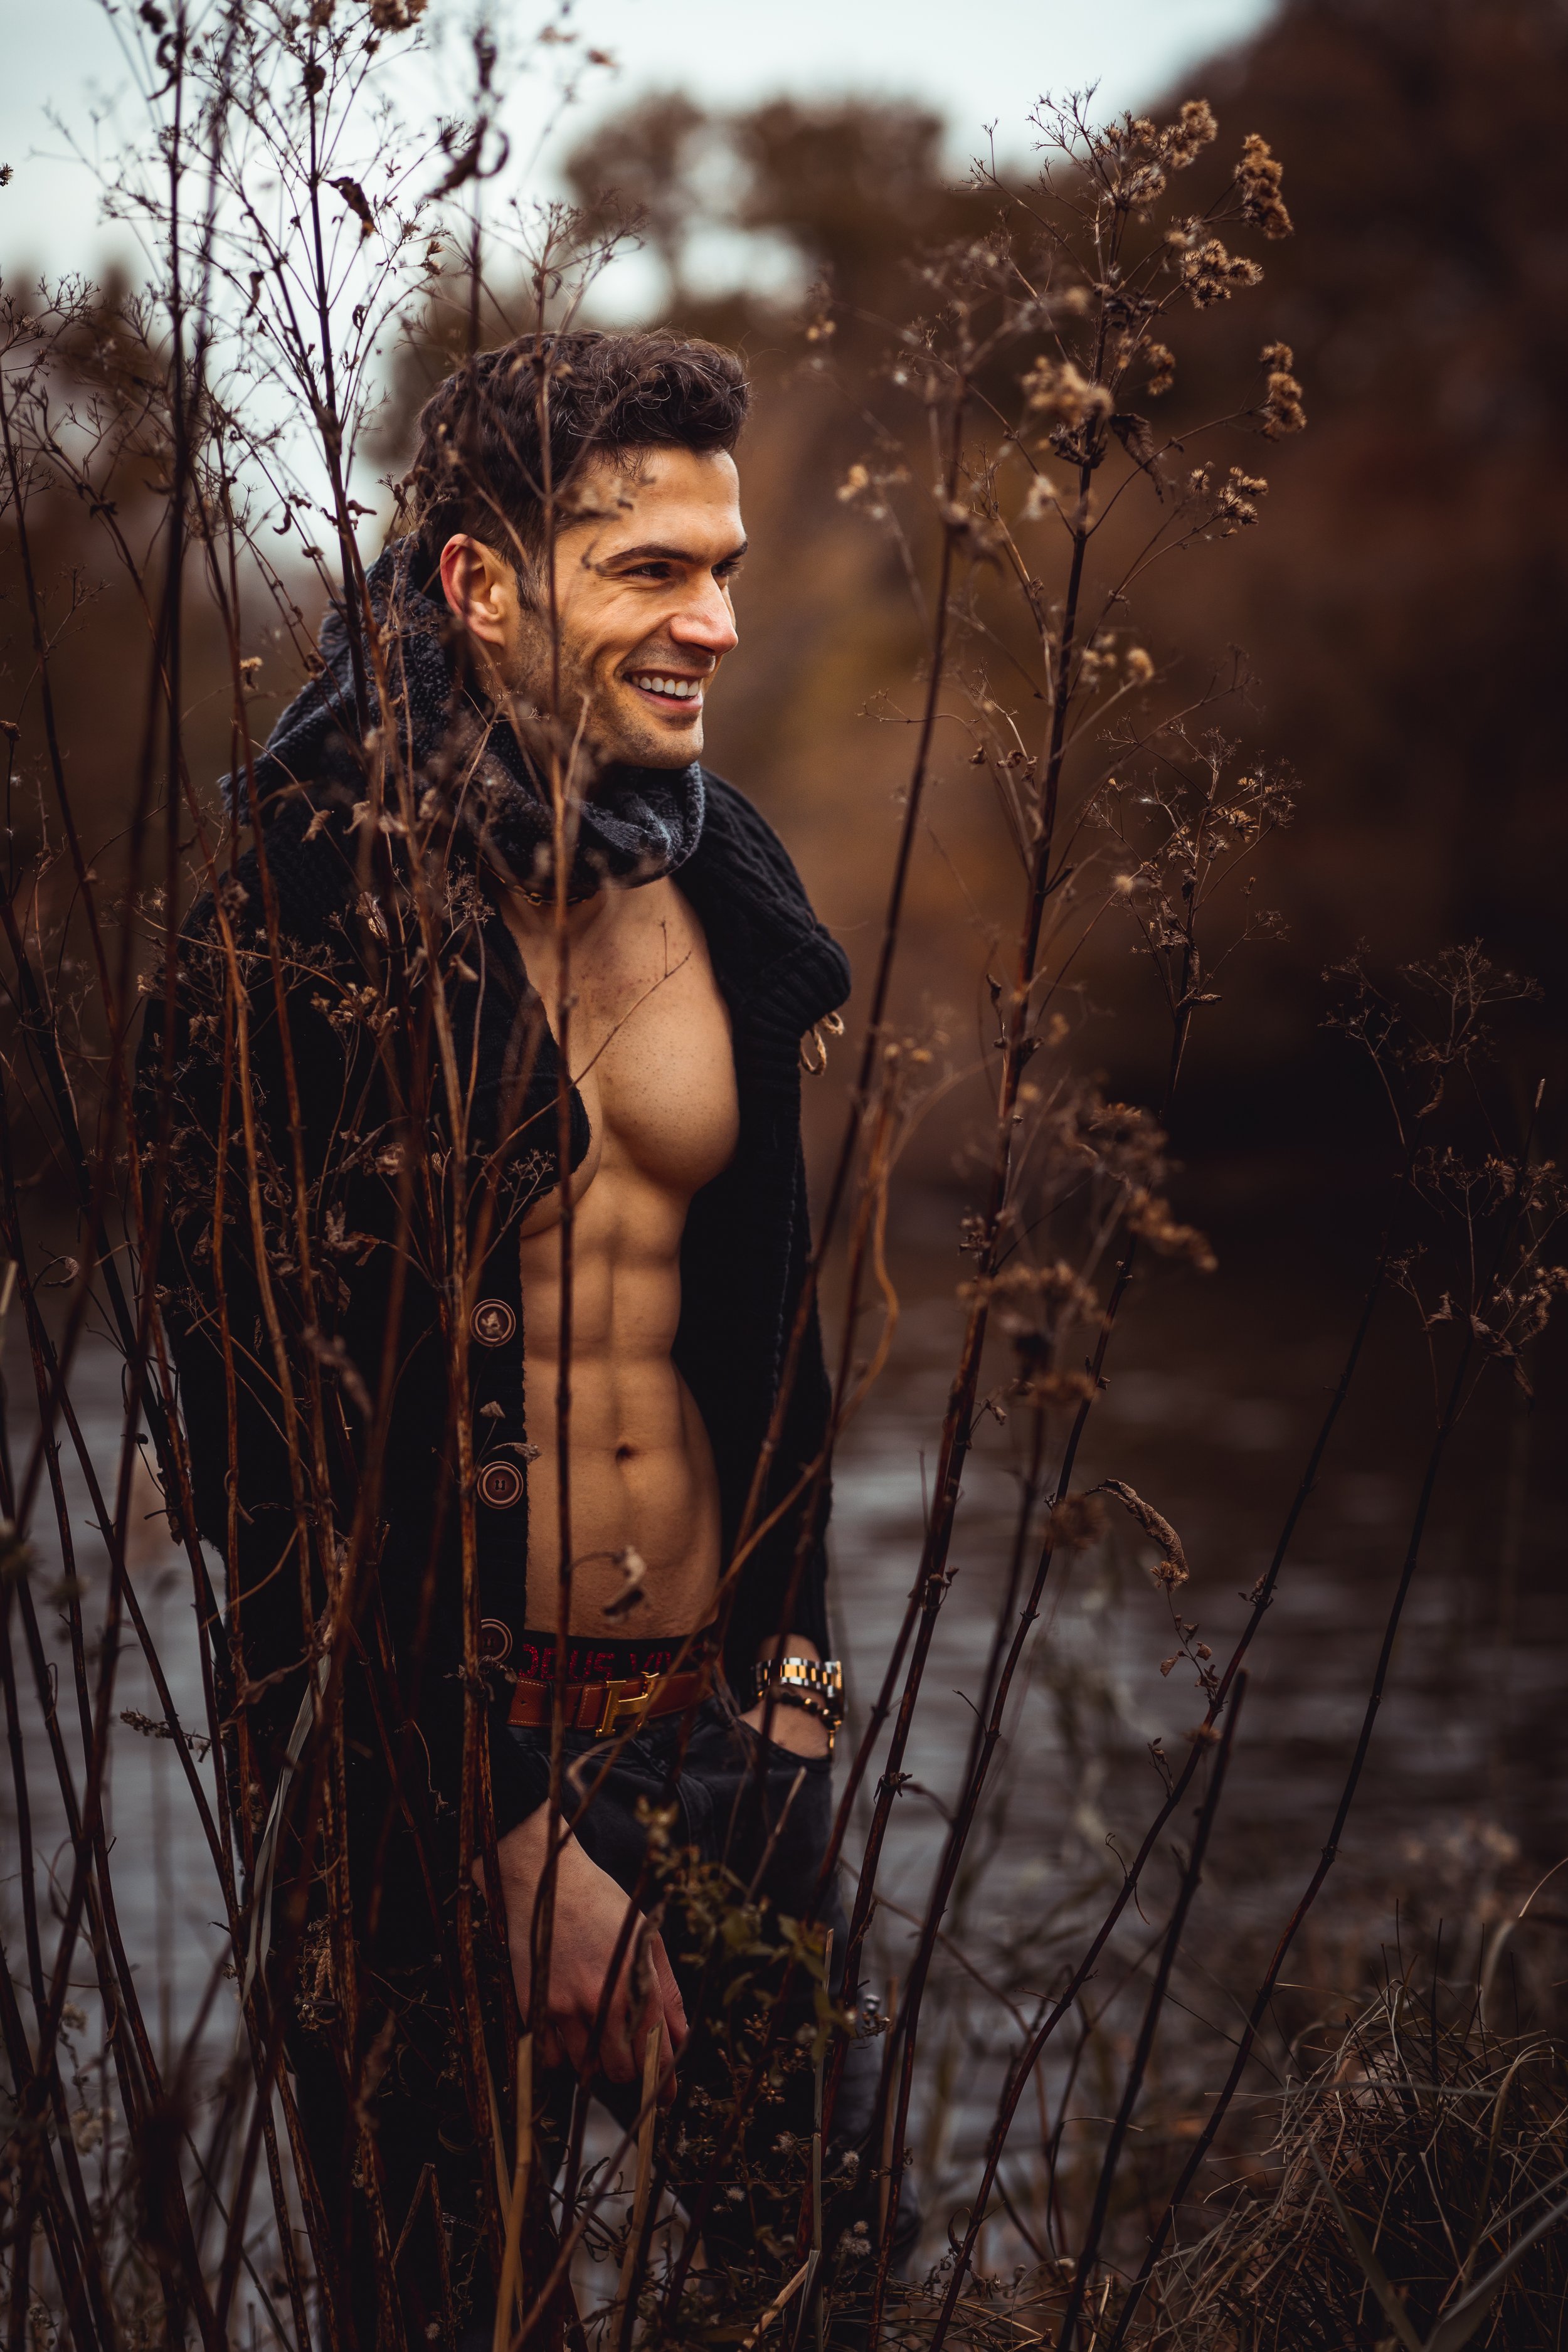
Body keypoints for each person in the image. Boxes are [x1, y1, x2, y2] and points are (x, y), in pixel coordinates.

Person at [137, 329, 915, 2347]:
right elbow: (257, 1458)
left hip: (721, 1737)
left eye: (722, 564)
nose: (717, 623)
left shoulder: (720, 878)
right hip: (411, 1800)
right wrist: (493, 1837)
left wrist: (798, 1701)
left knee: (817, 2301)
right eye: (649, 569)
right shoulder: (306, 917)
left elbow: (773, 1337)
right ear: (482, 584)